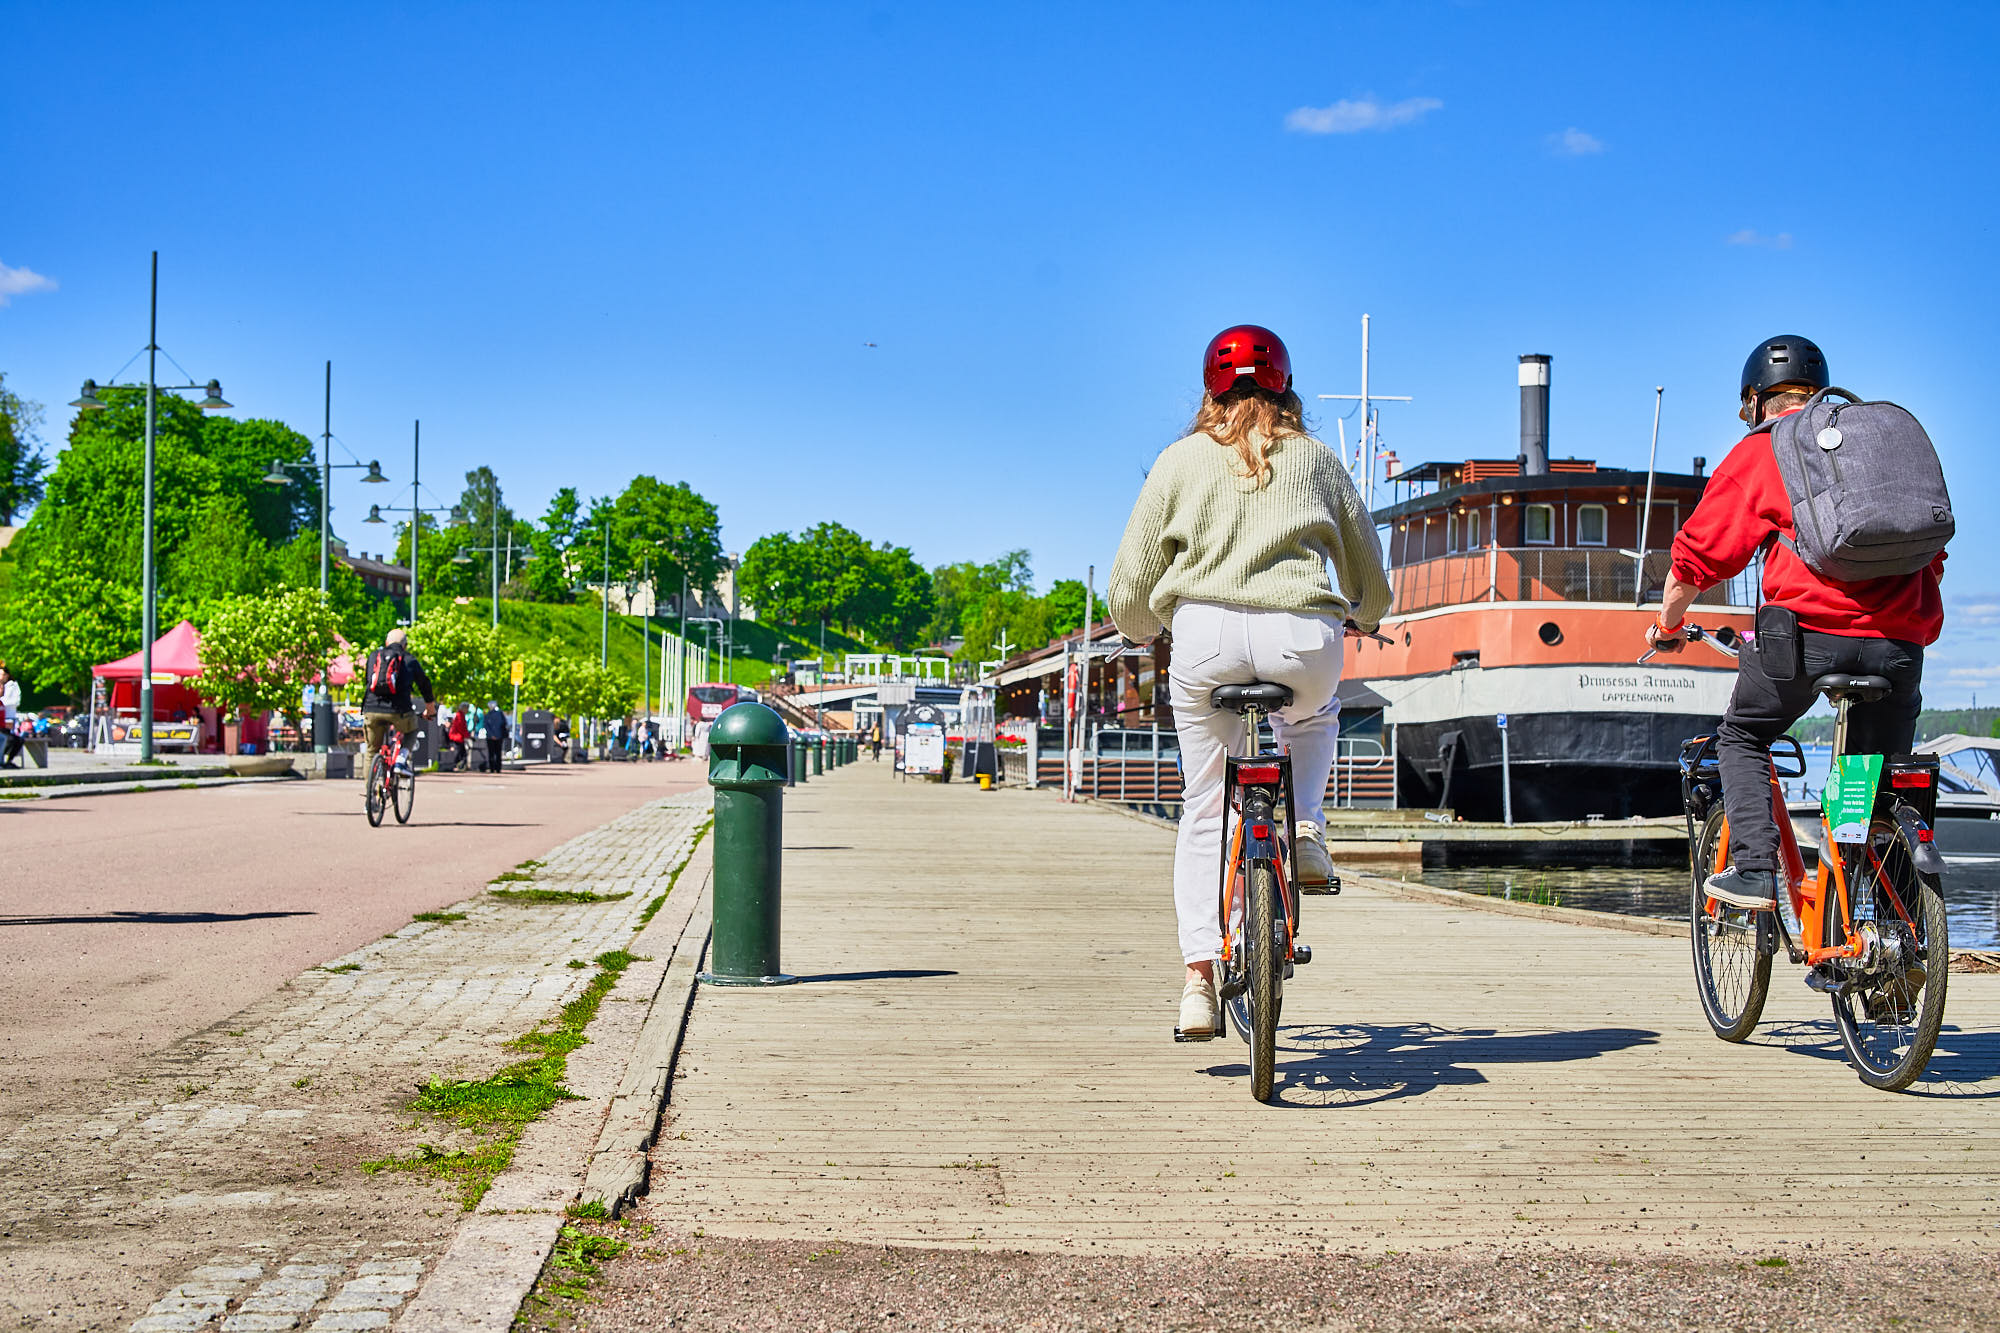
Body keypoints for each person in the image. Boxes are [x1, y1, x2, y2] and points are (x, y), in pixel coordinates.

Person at [1108, 324, 1392, 1040]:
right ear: (1287, 390)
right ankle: (1303, 825)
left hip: (1203, 639)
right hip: (1302, 635)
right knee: (1314, 717)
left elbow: (1129, 587)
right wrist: (1361, 611)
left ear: (1211, 392)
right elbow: (1372, 584)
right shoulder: (1319, 460)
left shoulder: (1178, 462)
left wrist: (1143, 627)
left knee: (1206, 805)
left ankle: (1198, 983)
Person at [1648, 335, 1946, 909]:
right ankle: (1894, 934)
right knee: (1869, 777)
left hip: (1805, 638)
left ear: (1758, 400)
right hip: (1898, 642)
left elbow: (1698, 558)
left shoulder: (1766, 449)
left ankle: (1756, 869)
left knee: (1743, 735)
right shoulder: (1874, 453)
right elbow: (1929, 549)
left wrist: (1667, 623)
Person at [359, 629, 436, 773]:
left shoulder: (374, 656)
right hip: (399, 711)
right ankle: (401, 760)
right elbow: (424, 684)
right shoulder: (409, 660)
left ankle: (371, 792)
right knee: (412, 729)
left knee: (371, 752)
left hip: (371, 709)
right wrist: (430, 709)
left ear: (386, 642)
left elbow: (368, 681)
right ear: (405, 645)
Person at [0, 664, 22, 769]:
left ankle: (7, 762)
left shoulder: (12, 685)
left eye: (3, 674)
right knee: (5, 738)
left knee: (17, 740)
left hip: (6, 724)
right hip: (3, 727)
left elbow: (15, 702)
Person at [483, 701, 510, 773]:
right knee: (497, 753)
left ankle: (493, 768)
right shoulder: (499, 714)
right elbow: (504, 724)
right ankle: (497, 768)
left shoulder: (488, 715)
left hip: (492, 736)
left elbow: (486, 726)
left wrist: (491, 735)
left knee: (492, 753)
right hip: (498, 736)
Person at [445, 704, 471, 772]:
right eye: (467, 708)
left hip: (458, 736)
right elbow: (461, 727)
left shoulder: (460, 715)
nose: (467, 710)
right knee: (460, 752)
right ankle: (455, 765)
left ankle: (458, 765)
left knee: (461, 751)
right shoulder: (460, 715)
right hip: (457, 736)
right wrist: (467, 735)